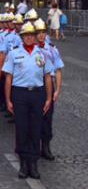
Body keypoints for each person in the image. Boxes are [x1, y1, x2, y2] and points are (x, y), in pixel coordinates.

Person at [3, 22, 53, 179]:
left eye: (32, 35)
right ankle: (23, 163)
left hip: (37, 94)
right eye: (26, 36)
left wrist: (49, 99)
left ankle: (33, 163)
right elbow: (8, 78)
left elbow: (48, 77)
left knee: (35, 129)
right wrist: (8, 100)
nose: (29, 38)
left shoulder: (43, 54)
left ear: (36, 37)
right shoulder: (13, 53)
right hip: (20, 94)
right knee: (22, 128)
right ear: (22, 37)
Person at [34, 18, 64, 161]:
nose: (41, 35)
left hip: (48, 86)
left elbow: (58, 70)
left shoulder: (52, 49)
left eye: (43, 32)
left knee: (47, 118)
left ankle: (45, 147)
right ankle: (33, 147)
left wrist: (57, 90)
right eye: (38, 32)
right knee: (33, 118)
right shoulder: (30, 49)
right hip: (35, 86)